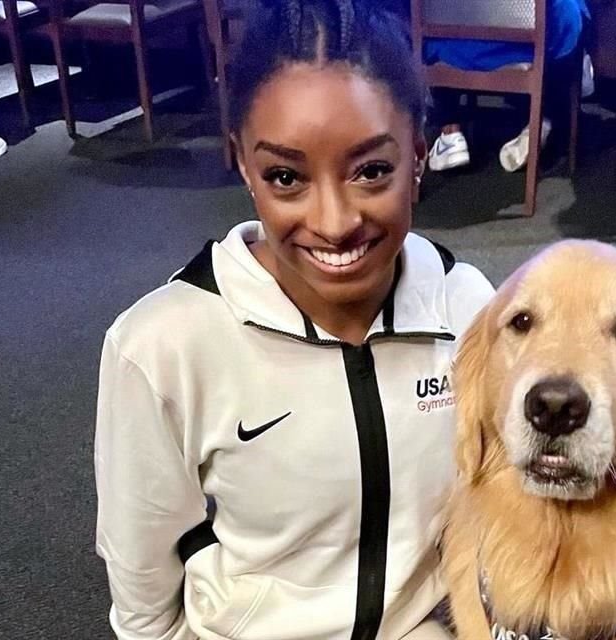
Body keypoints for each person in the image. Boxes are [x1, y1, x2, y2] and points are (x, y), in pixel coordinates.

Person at [93, 1, 494, 638]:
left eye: (372, 171)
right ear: (244, 166)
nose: (335, 222)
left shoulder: (469, 308)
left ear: (418, 154)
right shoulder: (161, 346)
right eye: (286, 176)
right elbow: (144, 596)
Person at [422, 0, 589, 173]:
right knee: (567, 30)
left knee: (426, 31)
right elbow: (567, 27)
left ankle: (450, 130)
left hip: (451, 51)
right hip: (523, 52)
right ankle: (543, 121)